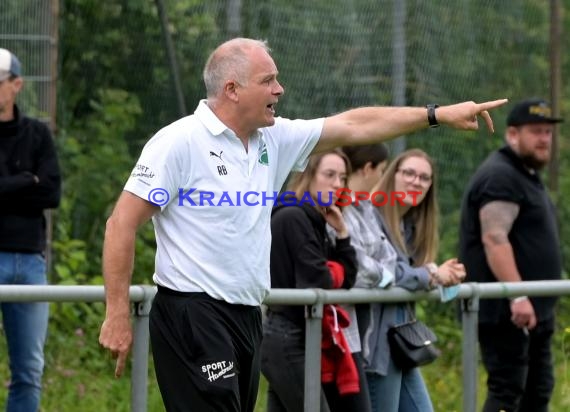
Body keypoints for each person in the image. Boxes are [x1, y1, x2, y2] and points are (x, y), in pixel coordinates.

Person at [97, 37, 506, 412]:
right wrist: (117, 313)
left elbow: (356, 125)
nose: (280, 90)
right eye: (268, 80)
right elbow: (121, 224)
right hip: (193, 312)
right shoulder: (179, 141)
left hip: (247, 316)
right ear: (232, 90)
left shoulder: (273, 139)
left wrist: (436, 115)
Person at [459, 98, 563, 412]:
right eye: (536, 131)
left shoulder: (524, 173)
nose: (544, 139)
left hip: (533, 312)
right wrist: (518, 296)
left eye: (548, 132)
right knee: (507, 391)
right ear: (512, 134)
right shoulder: (501, 175)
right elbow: (494, 238)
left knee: (537, 391)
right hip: (509, 312)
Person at [261, 149, 371, 412]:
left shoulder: (315, 219)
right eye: (329, 175)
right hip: (285, 337)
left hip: (298, 335)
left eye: (343, 177)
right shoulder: (293, 216)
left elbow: (347, 278)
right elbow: (318, 279)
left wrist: (342, 233)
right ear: (308, 176)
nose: (337, 184)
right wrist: (332, 270)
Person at [359, 148, 465, 412]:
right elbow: (389, 272)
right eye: (409, 173)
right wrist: (431, 274)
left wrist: (444, 277)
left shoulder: (412, 223)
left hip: (400, 342)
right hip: (375, 347)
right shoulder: (371, 213)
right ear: (392, 175)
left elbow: (410, 274)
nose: (416, 181)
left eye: (424, 178)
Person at [0, 48, 61, 411]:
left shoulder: (37, 134)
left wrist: (10, 185)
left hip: (30, 263)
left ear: (16, 84)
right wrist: (27, 181)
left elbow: (51, 193)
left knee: (28, 369)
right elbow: (39, 187)